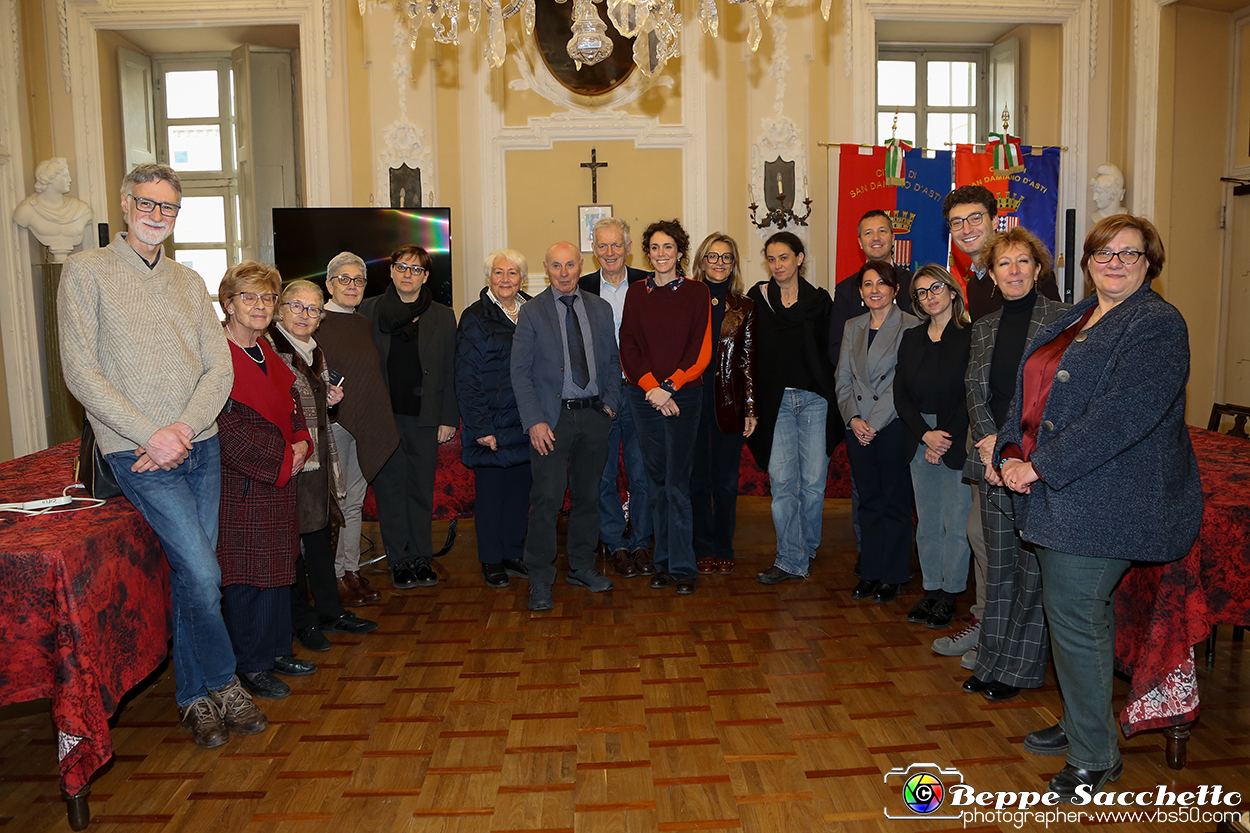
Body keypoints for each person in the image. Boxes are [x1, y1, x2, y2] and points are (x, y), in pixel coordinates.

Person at [58, 162, 266, 750]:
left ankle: (193, 697)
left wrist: (182, 427)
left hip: (200, 446)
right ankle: (222, 682)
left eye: (168, 208)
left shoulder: (187, 279)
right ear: (125, 204)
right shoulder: (85, 271)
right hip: (138, 454)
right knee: (205, 573)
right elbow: (82, 372)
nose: (156, 216)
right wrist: (152, 434)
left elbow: (217, 366)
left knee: (191, 575)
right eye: (147, 204)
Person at [995, 215, 1201, 801]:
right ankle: (1085, 719)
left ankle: (1095, 757)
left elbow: (1122, 417)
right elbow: (1031, 387)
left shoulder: (1157, 324)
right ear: (1086, 260)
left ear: (1149, 264)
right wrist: (1008, 446)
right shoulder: (1075, 314)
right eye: (1103, 253)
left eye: (1129, 254)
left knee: (1077, 615)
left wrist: (1040, 465)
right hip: (1066, 491)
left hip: (1112, 497)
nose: (1114, 262)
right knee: (1080, 616)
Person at [933, 185, 1062, 665]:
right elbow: (975, 371)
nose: (965, 229)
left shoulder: (1037, 292)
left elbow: (1046, 381)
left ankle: (1007, 633)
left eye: (974, 219)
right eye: (956, 223)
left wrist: (1007, 445)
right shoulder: (973, 282)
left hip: (1026, 439)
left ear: (994, 220)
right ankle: (989, 624)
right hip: (984, 430)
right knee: (982, 534)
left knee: (1011, 544)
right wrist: (986, 439)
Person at [961, 227, 1068, 703]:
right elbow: (974, 390)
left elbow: (1060, 398)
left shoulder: (1065, 322)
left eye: (1023, 262)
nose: (1015, 271)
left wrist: (1022, 454)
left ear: (1038, 269)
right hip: (992, 461)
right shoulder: (983, 326)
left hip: (1037, 465)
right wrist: (990, 447)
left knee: (1030, 570)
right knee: (998, 564)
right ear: (994, 275)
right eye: (1005, 264)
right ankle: (991, 660)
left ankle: (1020, 670)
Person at [216, 261, 312, 702]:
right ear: (229, 303)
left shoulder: (265, 349)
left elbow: (292, 406)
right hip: (243, 487)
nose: (260, 305)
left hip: (278, 480)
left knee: (277, 572)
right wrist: (282, 460)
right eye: (249, 297)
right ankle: (249, 665)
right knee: (247, 579)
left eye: (268, 297)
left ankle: (274, 652)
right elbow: (223, 428)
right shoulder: (215, 353)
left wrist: (301, 443)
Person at [267, 280, 379, 657]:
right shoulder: (271, 349)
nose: (305, 315)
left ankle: (330, 611)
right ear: (281, 309)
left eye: (314, 309)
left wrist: (331, 402)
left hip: (317, 459)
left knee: (319, 536)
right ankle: (303, 621)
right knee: (294, 545)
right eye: (297, 307)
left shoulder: (315, 351)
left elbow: (315, 405)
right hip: (290, 460)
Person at [511, 241, 620, 612]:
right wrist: (534, 421)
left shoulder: (600, 309)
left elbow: (612, 362)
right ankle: (540, 578)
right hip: (550, 421)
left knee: (588, 498)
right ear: (546, 268)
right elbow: (520, 372)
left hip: (593, 417)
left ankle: (582, 566)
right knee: (547, 500)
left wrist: (609, 407)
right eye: (555, 265)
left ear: (579, 266)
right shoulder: (532, 312)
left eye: (570, 265)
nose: (563, 272)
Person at [619, 219, 712, 595]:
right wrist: (652, 388)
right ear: (648, 252)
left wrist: (671, 387)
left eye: (668, 247)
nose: (661, 254)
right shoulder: (636, 293)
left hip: (684, 394)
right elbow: (628, 346)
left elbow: (700, 349)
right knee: (655, 482)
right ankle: (662, 564)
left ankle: (684, 567)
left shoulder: (696, 292)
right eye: (654, 248)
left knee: (677, 482)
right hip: (645, 397)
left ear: (679, 251)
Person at [361, 244, 459, 589]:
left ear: (426, 276)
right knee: (390, 492)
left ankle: (421, 558)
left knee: (420, 491)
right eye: (402, 267)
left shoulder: (442, 315)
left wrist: (448, 417)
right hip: (385, 418)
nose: (408, 274)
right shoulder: (369, 311)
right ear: (390, 271)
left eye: (416, 269)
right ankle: (398, 561)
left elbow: (450, 370)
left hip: (425, 418)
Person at [747, 231, 839, 584]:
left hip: (815, 401)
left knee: (813, 484)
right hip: (776, 403)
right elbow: (748, 355)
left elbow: (831, 353)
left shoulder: (820, 302)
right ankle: (789, 557)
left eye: (783, 257)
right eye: (771, 259)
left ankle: (805, 546)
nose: (777, 265)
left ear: (800, 259)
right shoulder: (757, 298)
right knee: (783, 482)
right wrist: (751, 405)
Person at [829, 209, 914, 578]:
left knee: (894, 502)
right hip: (857, 425)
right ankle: (870, 570)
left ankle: (894, 574)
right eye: (868, 285)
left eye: (882, 284)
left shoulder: (912, 325)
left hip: (892, 425)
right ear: (860, 292)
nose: (874, 289)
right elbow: (842, 376)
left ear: (895, 290)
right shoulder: (852, 325)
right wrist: (853, 418)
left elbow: (903, 382)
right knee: (868, 502)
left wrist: (873, 422)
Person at [316, 252, 398, 613]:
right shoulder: (317, 322)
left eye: (359, 280)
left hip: (363, 423)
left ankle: (350, 570)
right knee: (337, 503)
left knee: (354, 503)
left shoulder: (363, 322)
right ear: (329, 284)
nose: (352, 286)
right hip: (334, 425)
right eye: (344, 279)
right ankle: (334, 575)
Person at [892, 265, 972, 628]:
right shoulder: (911, 338)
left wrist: (943, 438)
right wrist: (925, 434)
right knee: (927, 522)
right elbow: (901, 394)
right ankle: (931, 589)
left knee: (954, 522)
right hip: (919, 437)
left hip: (956, 437)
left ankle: (950, 593)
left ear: (953, 291)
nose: (930, 296)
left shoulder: (971, 335)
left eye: (936, 288)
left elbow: (973, 394)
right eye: (922, 292)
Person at [579, 217, 654, 578]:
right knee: (604, 475)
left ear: (628, 248)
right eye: (602, 246)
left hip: (642, 394)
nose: (610, 252)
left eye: (616, 245)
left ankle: (641, 542)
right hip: (599, 397)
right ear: (594, 250)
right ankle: (615, 543)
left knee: (642, 474)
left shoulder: (648, 284)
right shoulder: (581, 288)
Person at [456, 249, 534, 588]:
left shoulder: (532, 310)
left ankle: (513, 552)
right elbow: (466, 376)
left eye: (512, 273)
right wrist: (480, 426)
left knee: (520, 490)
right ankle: (491, 559)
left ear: (522, 278)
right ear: (489, 277)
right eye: (499, 273)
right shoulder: (475, 317)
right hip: (490, 421)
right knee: (491, 494)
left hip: (527, 419)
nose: (505, 279)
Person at [689, 231, 756, 575]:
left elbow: (748, 361)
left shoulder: (745, 307)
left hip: (728, 404)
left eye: (726, 257)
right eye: (712, 256)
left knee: (726, 482)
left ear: (734, 264)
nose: (719, 263)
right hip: (691, 402)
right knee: (697, 480)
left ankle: (723, 544)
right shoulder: (685, 299)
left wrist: (750, 407)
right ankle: (702, 545)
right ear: (701, 262)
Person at [12, 156, 94, 261]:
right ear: (49, 179)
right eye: (65, 176)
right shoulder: (26, 211)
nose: (70, 180)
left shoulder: (81, 209)